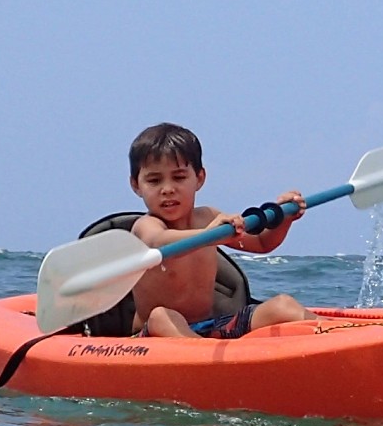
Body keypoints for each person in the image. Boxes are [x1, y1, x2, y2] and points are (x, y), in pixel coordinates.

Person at [126, 122, 319, 338]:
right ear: (136, 185)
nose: (168, 189)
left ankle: (341, 334)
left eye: (179, 177)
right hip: (153, 334)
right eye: (154, 181)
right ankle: (208, 363)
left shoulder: (208, 217)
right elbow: (158, 242)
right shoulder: (146, 226)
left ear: (199, 178)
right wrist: (208, 235)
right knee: (161, 315)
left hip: (212, 325)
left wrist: (285, 219)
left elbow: (263, 243)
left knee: (283, 304)